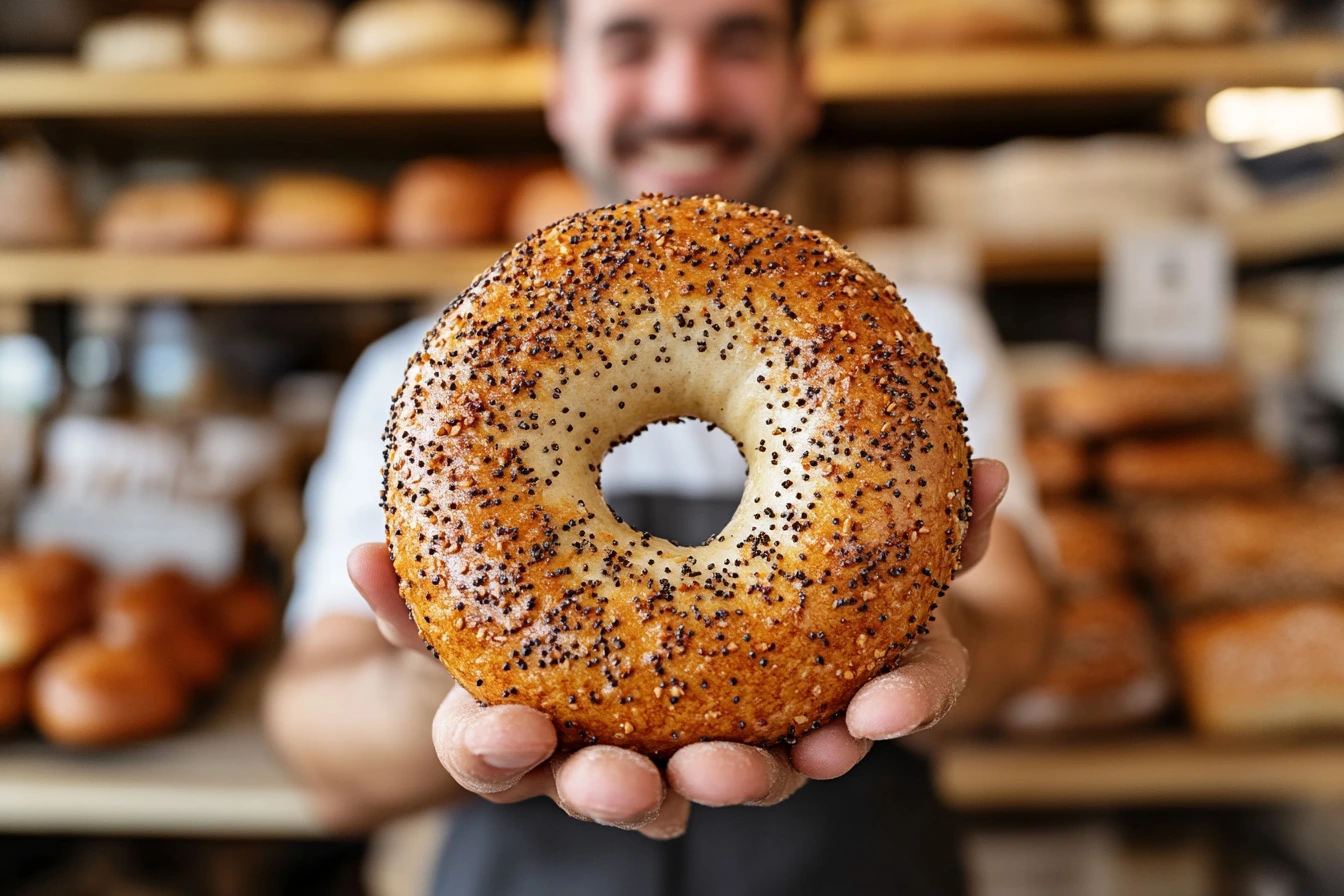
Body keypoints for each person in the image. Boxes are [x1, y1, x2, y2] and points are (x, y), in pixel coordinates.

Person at [264, 1, 1054, 893]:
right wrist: (462, 678)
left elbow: (1020, 627)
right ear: (561, 90)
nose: (685, 93)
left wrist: (932, 632)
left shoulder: (912, 346)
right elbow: (317, 749)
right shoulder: (429, 382)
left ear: (803, 88)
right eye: (630, 43)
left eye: (739, 41)